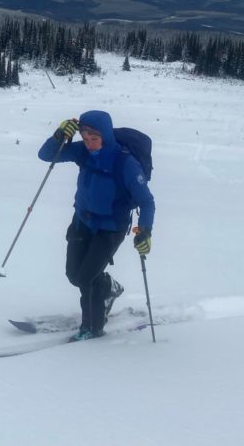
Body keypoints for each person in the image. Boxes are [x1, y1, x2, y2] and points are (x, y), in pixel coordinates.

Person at [38, 110, 155, 340]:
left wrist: (145, 231)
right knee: (73, 274)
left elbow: (146, 201)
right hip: (82, 221)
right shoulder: (83, 152)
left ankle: (92, 327)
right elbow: (46, 155)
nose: (90, 144)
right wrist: (59, 136)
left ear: (106, 136)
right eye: (86, 137)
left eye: (95, 138)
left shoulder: (125, 163)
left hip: (111, 228)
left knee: (86, 279)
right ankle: (108, 288)